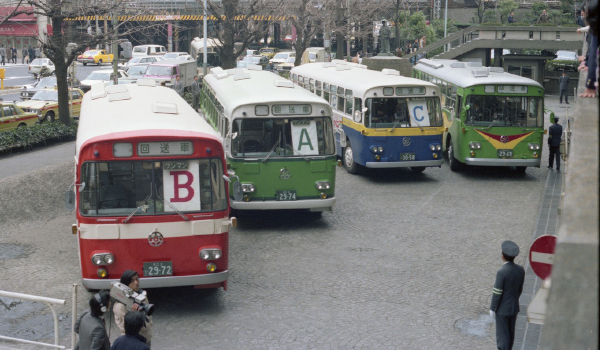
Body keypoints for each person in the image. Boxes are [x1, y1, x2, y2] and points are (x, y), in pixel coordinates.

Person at [490, 240, 525, 350]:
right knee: (510, 335)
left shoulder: (502, 272)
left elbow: (497, 292)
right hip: (514, 308)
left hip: (502, 310)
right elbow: (519, 289)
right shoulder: (520, 270)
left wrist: (492, 308)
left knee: (502, 337)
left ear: (502, 256)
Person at [113, 270, 153, 348]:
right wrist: (133, 315)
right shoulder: (120, 305)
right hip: (133, 342)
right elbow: (125, 327)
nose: (136, 283)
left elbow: (148, 315)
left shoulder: (142, 295)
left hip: (146, 337)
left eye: (137, 279)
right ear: (125, 284)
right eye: (132, 281)